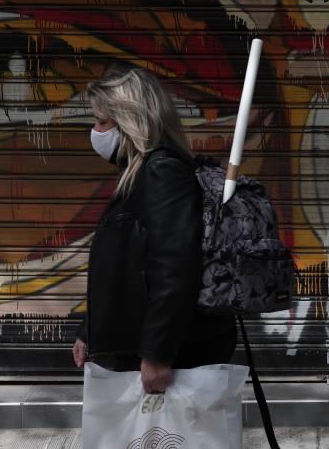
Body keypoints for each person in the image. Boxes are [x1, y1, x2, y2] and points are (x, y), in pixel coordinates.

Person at [71, 68, 236, 393]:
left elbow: (175, 266)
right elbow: (127, 267)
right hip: (144, 346)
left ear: (129, 120)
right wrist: (89, 330)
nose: (95, 131)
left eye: (102, 122)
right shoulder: (140, 173)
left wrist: (158, 353)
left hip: (173, 355)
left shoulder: (162, 170)